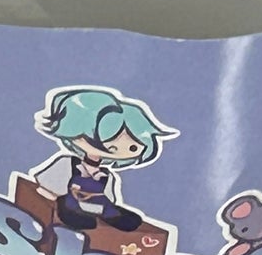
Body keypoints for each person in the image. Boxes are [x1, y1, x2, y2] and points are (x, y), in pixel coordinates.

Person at [31, 86, 177, 235]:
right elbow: (47, 187)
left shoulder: (107, 176)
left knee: (127, 219)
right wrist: (51, 197)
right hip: (72, 205)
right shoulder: (68, 163)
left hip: (99, 208)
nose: (111, 149)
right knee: (75, 215)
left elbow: (110, 198)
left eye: (132, 147)